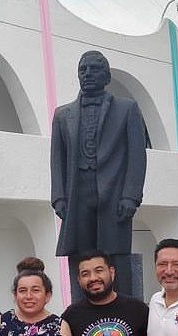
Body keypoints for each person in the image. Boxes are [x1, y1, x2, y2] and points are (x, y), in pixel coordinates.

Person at [50, 50, 147, 296]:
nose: (88, 74)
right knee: (80, 253)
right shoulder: (63, 114)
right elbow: (57, 159)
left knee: (115, 253)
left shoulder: (127, 109)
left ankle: (123, 305)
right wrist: (59, 197)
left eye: (94, 69)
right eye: (83, 69)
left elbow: (137, 156)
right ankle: (81, 306)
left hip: (114, 191)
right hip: (77, 192)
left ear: (107, 76)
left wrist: (131, 196)